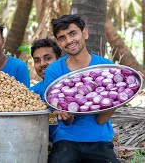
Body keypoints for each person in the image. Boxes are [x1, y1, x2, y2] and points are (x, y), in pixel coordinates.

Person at [42, 14, 119, 163]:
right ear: (58, 43)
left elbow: (101, 120)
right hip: (66, 140)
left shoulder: (105, 66)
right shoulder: (54, 71)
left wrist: (117, 99)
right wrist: (66, 114)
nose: (69, 41)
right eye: (62, 37)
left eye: (72, 33)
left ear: (85, 33)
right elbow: (67, 122)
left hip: (99, 140)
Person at [29, 38, 62, 140]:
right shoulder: (33, 93)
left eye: (48, 58)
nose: (42, 64)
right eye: (37, 60)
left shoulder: (71, 87)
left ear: (59, 59)